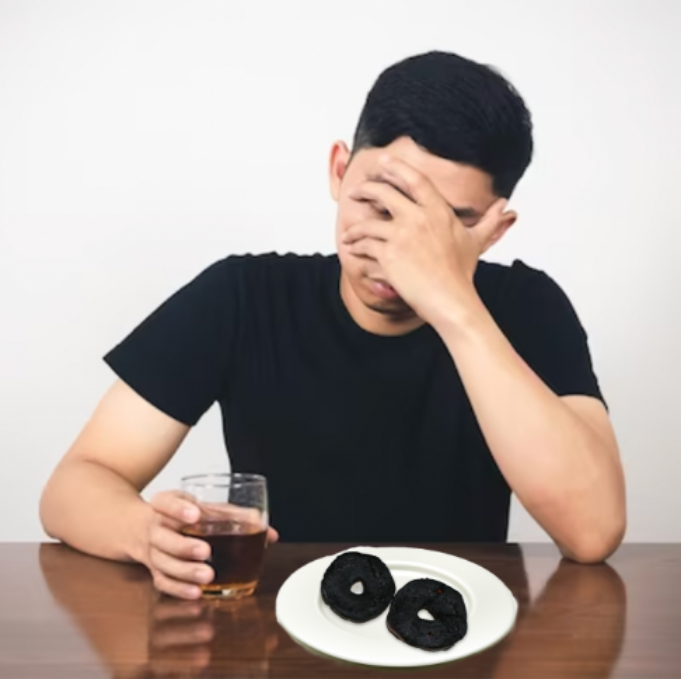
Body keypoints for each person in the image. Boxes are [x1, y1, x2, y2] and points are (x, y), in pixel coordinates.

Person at [40, 51, 626, 600]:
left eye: (443, 227)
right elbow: (73, 487)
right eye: (381, 205)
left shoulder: (527, 306)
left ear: (494, 231)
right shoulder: (242, 296)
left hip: (453, 626)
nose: (398, 249)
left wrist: (452, 301)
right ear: (339, 172)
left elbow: (593, 531)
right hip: (275, 630)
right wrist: (145, 533)